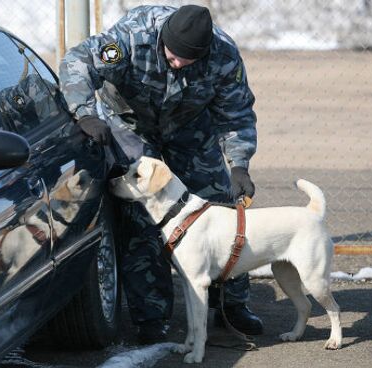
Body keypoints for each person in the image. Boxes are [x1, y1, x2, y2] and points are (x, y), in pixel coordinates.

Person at [59, 4, 262, 344]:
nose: (179, 64)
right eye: (174, 56)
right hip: (131, 124)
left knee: (219, 207)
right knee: (143, 214)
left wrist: (239, 164)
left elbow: (236, 112)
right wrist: (84, 113)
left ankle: (231, 303)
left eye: (189, 60)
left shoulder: (223, 55)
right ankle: (151, 316)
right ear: (161, 40)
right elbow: (76, 62)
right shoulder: (131, 38)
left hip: (189, 126)